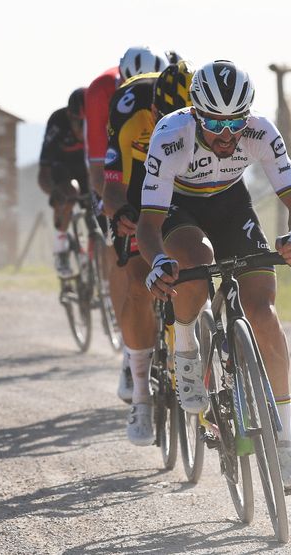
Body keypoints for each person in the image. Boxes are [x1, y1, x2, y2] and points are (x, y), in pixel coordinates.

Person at [137, 59, 291, 492]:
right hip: (178, 206)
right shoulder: (170, 136)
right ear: (196, 113)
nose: (226, 133)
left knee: (263, 310)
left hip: (231, 203)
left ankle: (286, 444)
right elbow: (147, 224)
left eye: (235, 120)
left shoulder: (259, 131)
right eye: (215, 122)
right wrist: (159, 261)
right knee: (195, 265)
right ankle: (184, 346)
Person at [100, 53, 188, 446]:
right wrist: (120, 211)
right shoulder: (128, 103)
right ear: (154, 107)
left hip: (186, 183)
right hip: (137, 185)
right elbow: (113, 182)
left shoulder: (202, 109)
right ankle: (140, 394)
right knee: (138, 279)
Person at [96, 47, 168, 407]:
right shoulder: (119, 103)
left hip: (172, 175)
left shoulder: (181, 94)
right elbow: (103, 170)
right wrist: (117, 210)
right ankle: (131, 353)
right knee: (127, 262)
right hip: (129, 175)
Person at [38, 87, 89, 277]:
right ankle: (60, 249)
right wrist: (54, 193)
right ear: (70, 116)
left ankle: (95, 251)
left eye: (86, 124)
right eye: (78, 123)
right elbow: (43, 172)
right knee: (69, 194)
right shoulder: (57, 123)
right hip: (62, 167)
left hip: (87, 166)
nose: (82, 130)